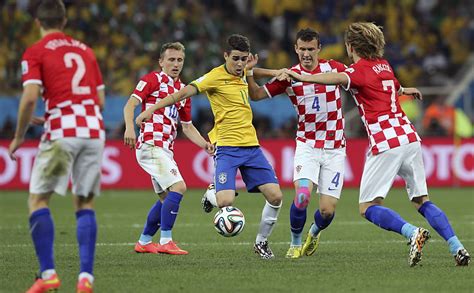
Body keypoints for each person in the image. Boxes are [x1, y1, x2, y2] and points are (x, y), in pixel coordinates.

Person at [280, 22, 471, 267]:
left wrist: (299, 75)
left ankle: (412, 233)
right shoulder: (385, 65)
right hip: (410, 137)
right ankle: (457, 246)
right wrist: (406, 89)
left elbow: (334, 78)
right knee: (422, 200)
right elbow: (389, 84)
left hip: (385, 141)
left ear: (351, 47)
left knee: (367, 207)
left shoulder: (355, 71)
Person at [136, 34, 284, 259]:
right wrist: (151, 109)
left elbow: (254, 71)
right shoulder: (213, 77)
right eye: (235, 59)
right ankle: (212, 194)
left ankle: (261, 243)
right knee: (226, 203)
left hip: (252, 147)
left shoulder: (243, 70)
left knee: (276, 197)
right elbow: (183, 93)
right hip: (226, 147)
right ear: (225, 55)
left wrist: (273, 72)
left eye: (244, 59)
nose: (240, 64)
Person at [8, 0, 105, 292]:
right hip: (93, 130)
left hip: (63, 132)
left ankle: (48, 273)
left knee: (38, 200)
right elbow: (99, 100)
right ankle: (85, 278)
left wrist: (18, 135)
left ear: (38, 23)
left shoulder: (35, 52)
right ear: (64, 22)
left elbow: (28, 98)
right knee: (85, 203)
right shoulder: (85, 51)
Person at [245, 28, 347, 259]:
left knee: (327, 211)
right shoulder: (288, 76)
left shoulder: (335, 69)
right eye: (302, 49)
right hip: (307, 146)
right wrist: (250, 73)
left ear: (319, 49)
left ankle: (314, 232)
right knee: (302, 197)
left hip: (335, 148)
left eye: (311, 49)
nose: (307, 54)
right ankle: (295, 243)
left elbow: (360, 79)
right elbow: (257, 95)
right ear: (296, 49)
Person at [123, 42, 214, 255]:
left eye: (179, 60)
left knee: (165, 198)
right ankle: (166, 241)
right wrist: (129, 128)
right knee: (179, 187)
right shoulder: (152, 79)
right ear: (161, 62)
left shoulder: (183, 92)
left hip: (165, 148)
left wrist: (204, 144)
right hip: (151, 143)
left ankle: (144, 241)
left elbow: (187, 127)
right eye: (171, 59)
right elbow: (130, 105)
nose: (175, 64)